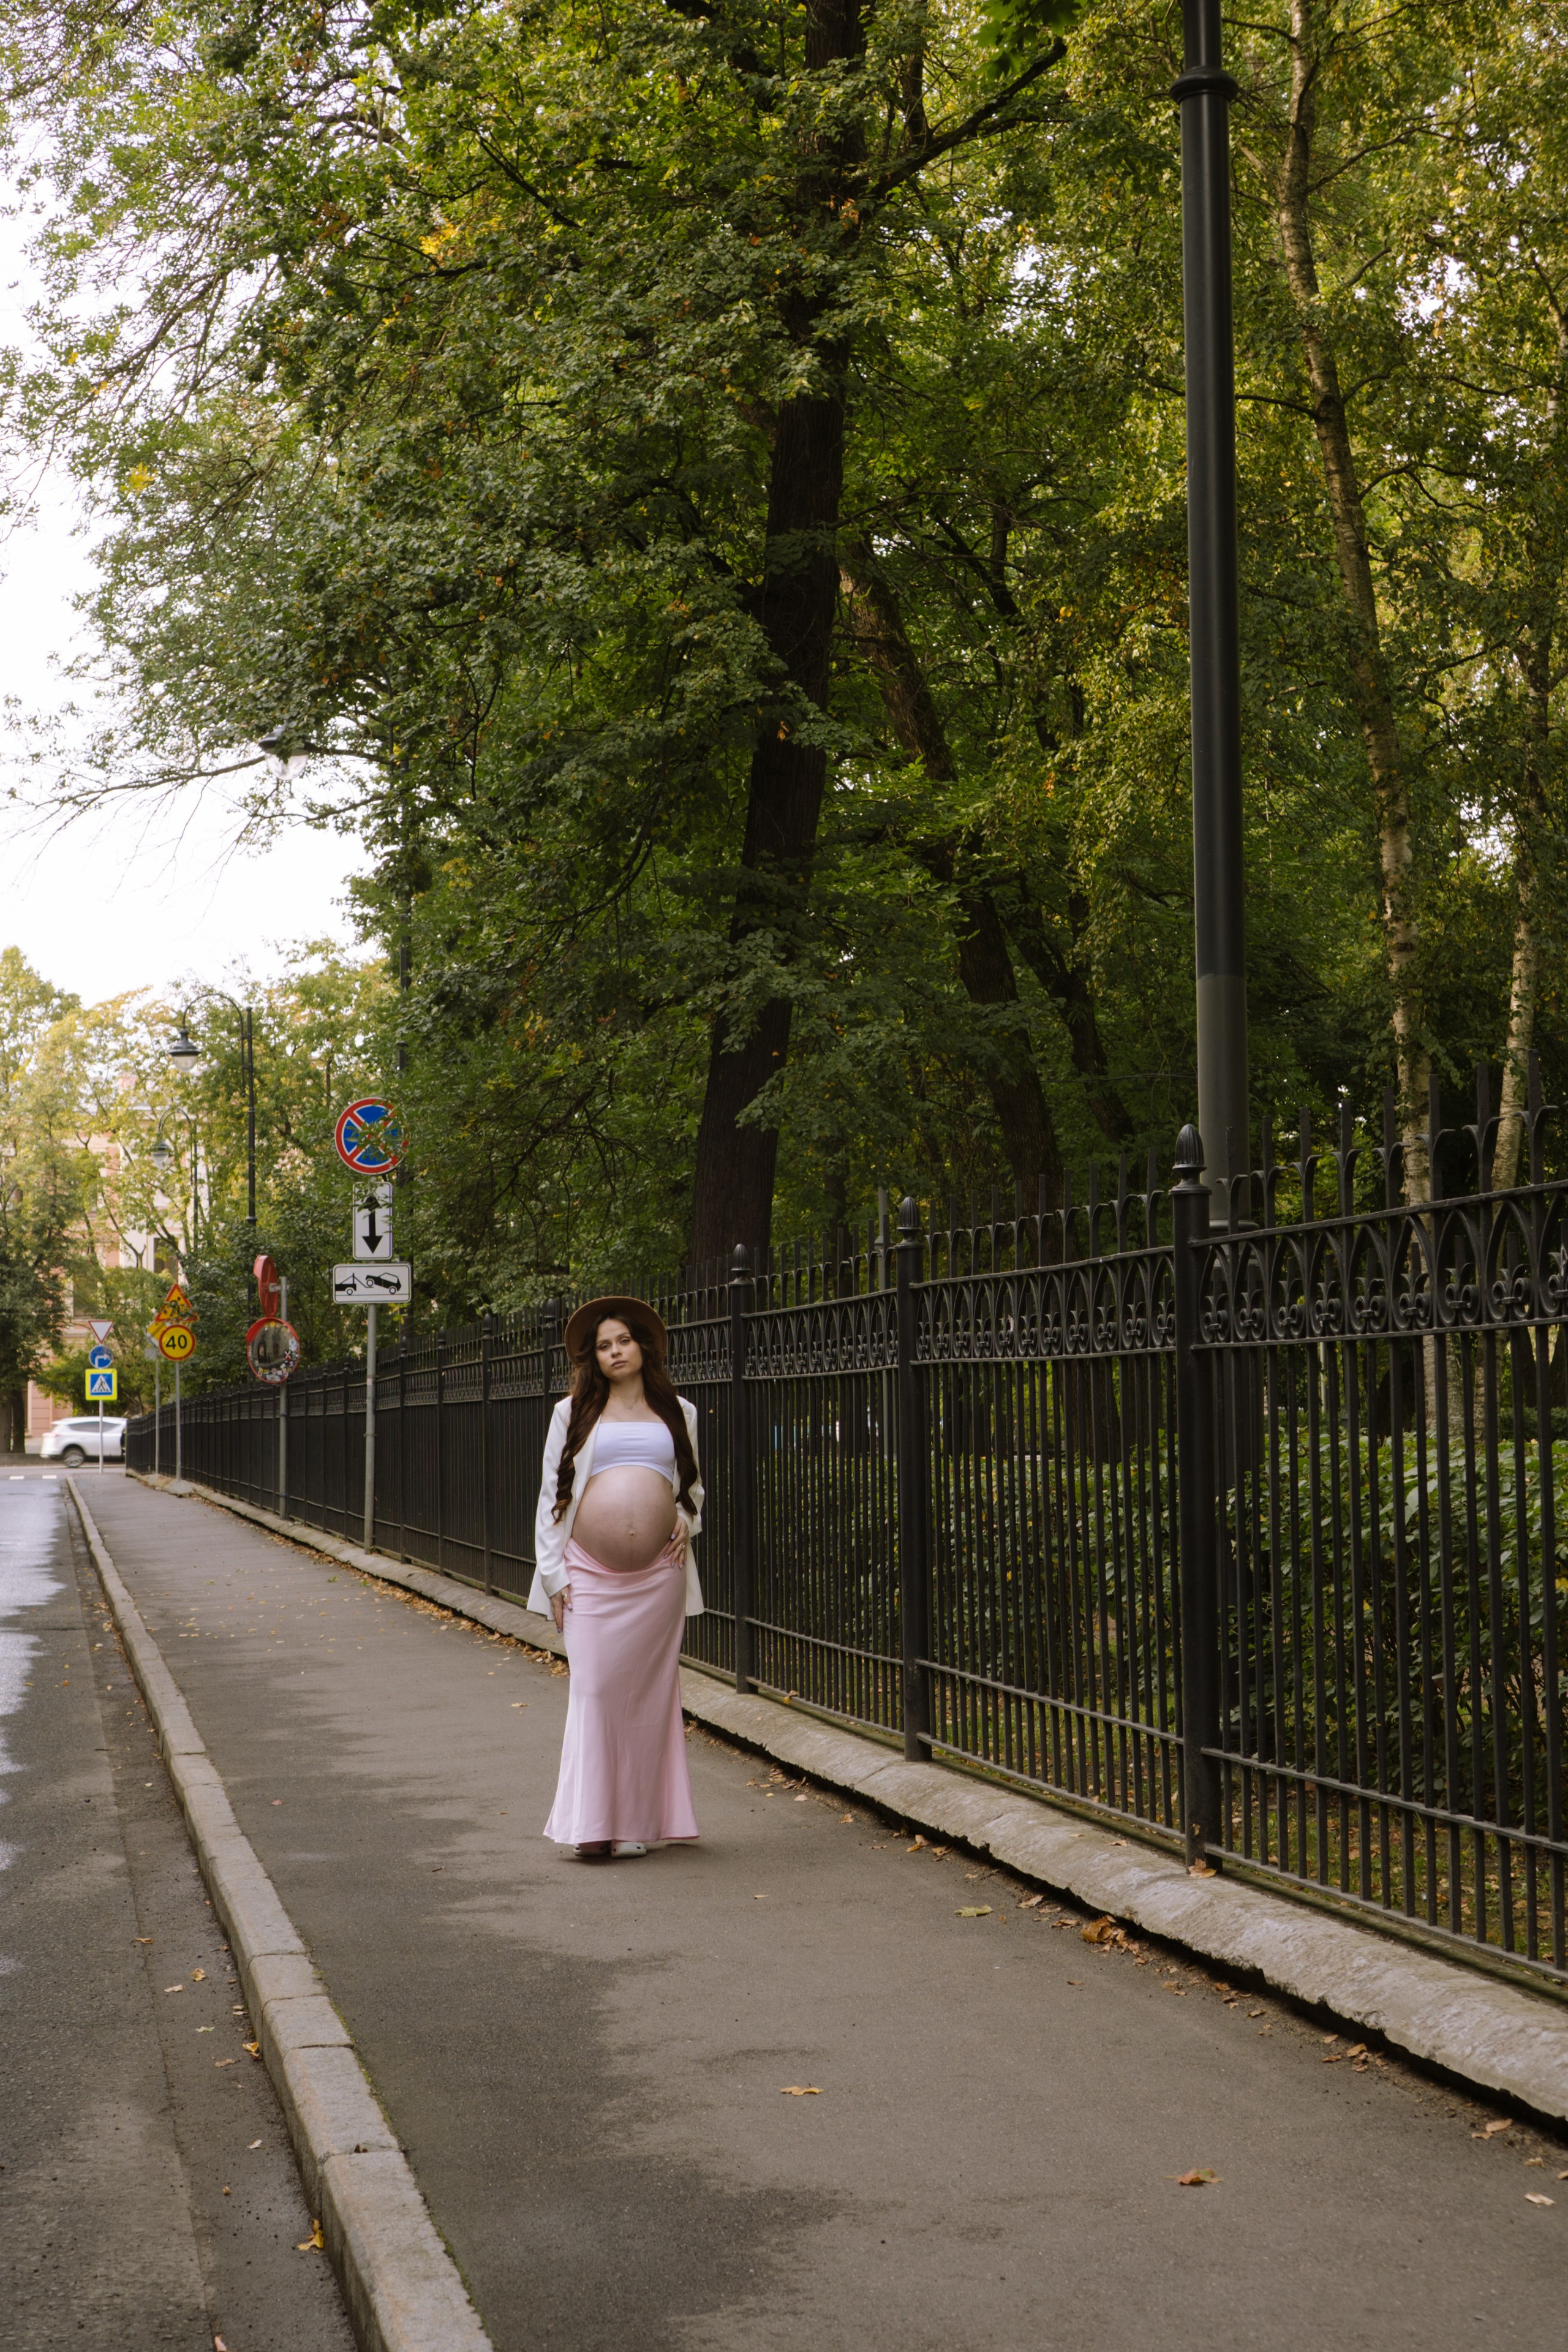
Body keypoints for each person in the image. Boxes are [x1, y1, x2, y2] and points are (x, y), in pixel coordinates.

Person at [527, 1297, 704, 1859]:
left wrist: (685, 1519)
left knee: (649, 1699)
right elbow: (549, 1499)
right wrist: (553, 1577)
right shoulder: (571, 1412)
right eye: (603, 1346)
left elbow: (693, 1492)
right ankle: (591, 1825)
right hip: (588, 1574)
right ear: (594, 1358)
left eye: (622, 1341)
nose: (614, 1352)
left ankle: (631, 1827)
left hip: (659, 1577)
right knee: (596, 1689)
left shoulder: (680, 1411)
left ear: (642, 1345)